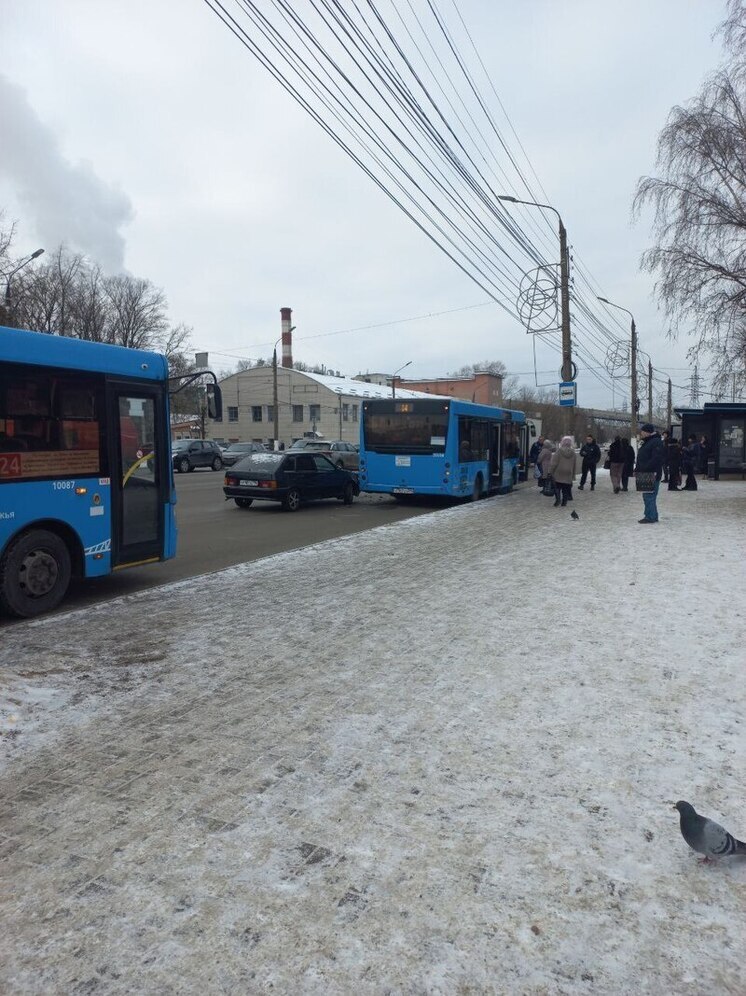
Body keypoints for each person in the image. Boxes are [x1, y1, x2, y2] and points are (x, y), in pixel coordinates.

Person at [635, 423, 665, 523]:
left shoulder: (655, 442)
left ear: (648, 432)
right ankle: (652, 515)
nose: (641, 433)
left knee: (649, 496)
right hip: (646, 472)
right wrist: (637, 469)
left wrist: (644, 468)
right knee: (647, 496)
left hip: (651, 473)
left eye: (642, 431)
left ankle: (650, 517)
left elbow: (656, 459)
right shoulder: (648, 441)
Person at [549, 435, 577, 507]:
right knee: (565, 488)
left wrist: (551, 471)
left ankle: (558, 500)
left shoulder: (559, 451)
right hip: (568, 472)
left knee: (557, 487)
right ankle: (564, 502)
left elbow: (554, 463)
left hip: (559, 471)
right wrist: (573, 475)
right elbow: (574, 465)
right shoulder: (573, 453)